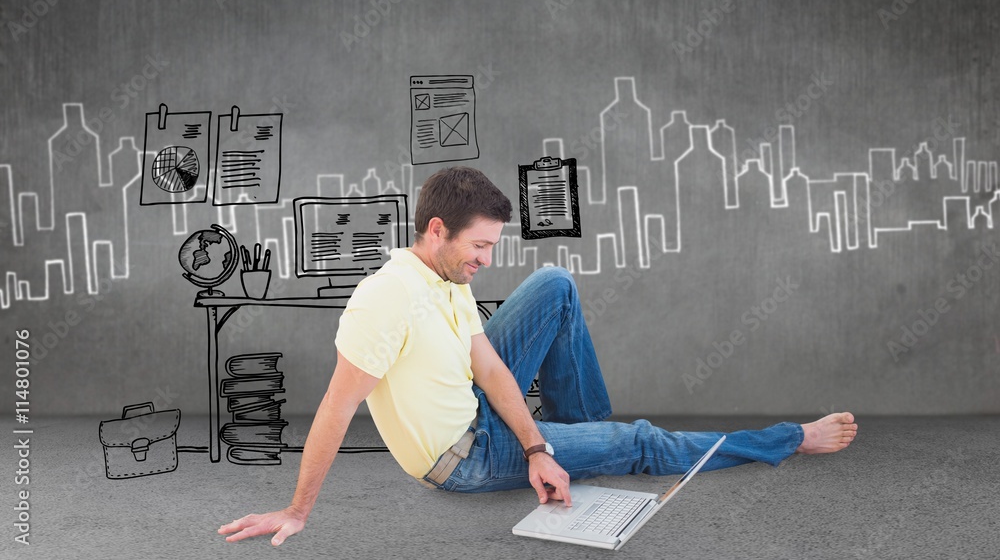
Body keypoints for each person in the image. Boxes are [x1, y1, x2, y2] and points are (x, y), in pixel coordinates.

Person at [219, 166, 858, 546]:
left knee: (553, 284)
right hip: (460, 458)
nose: (487, 260)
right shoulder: (387, 298)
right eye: (479, 246)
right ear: (436, 230)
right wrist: (297, 511)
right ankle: (785, 439)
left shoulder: (443, 279)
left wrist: (537, 448)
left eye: (492, 246)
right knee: (638, 441)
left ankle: (579, 439)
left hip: (478, 412)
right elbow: (335, 408)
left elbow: (491, 368)